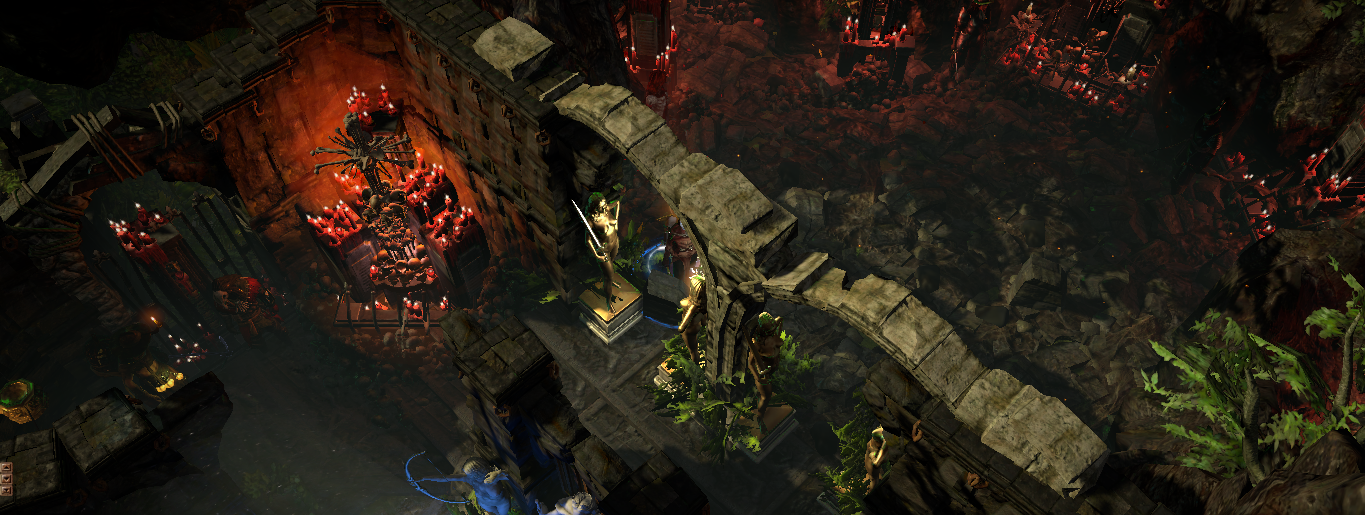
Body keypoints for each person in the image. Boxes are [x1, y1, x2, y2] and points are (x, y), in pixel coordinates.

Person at [212, 275, 286, 347]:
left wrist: (272, 304)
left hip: (259, 315)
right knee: (256, 344)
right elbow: (225, 314)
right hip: (245, 323)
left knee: (279, 330)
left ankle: (287, 342)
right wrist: (229, 325)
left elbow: (263, 293)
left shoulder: (246, 285)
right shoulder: (220, 301)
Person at [747, 313, 785, 428]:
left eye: (773, 329)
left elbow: (780, 319)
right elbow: (750, 363)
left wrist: (778, 328)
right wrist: (758, 378)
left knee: (765, 395)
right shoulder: (757, 345)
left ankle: (757, 398)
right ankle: (759, 418)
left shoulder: (772, 329)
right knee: (766, 398)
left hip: (772, 369)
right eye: (770, 330)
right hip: (764, 375)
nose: (772, 331)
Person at [585, 193, 621, 313]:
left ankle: (611, 281)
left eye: (605, 204)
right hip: (603, 251)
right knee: (608, 277)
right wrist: (596, 255)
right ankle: (609, 302)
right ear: (595, 208)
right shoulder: (591, 221)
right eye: (602, 206)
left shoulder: (606, 209)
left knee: (612, 264)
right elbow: (588, 240)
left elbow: (617, 203)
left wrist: (616, 221)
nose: (605, 207)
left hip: (615, 243)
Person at [678, 272, 707, 363]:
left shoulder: (692, 306)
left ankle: (696, 365)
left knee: (693, 350)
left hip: (690, 329)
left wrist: (680, 327)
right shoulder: (703, 304)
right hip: (697, 324)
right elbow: (704, 321)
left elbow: (682, 328)